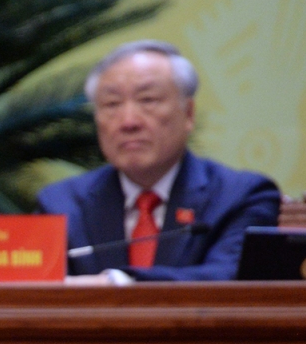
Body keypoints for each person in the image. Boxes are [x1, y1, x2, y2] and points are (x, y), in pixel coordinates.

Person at [37, 40, 280, 282]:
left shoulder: (240, 197)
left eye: (148, 100)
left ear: (188, 114)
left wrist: (119, 282)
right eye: (112, 104)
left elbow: (228, 276)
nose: (128, 122)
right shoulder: (60, 205)